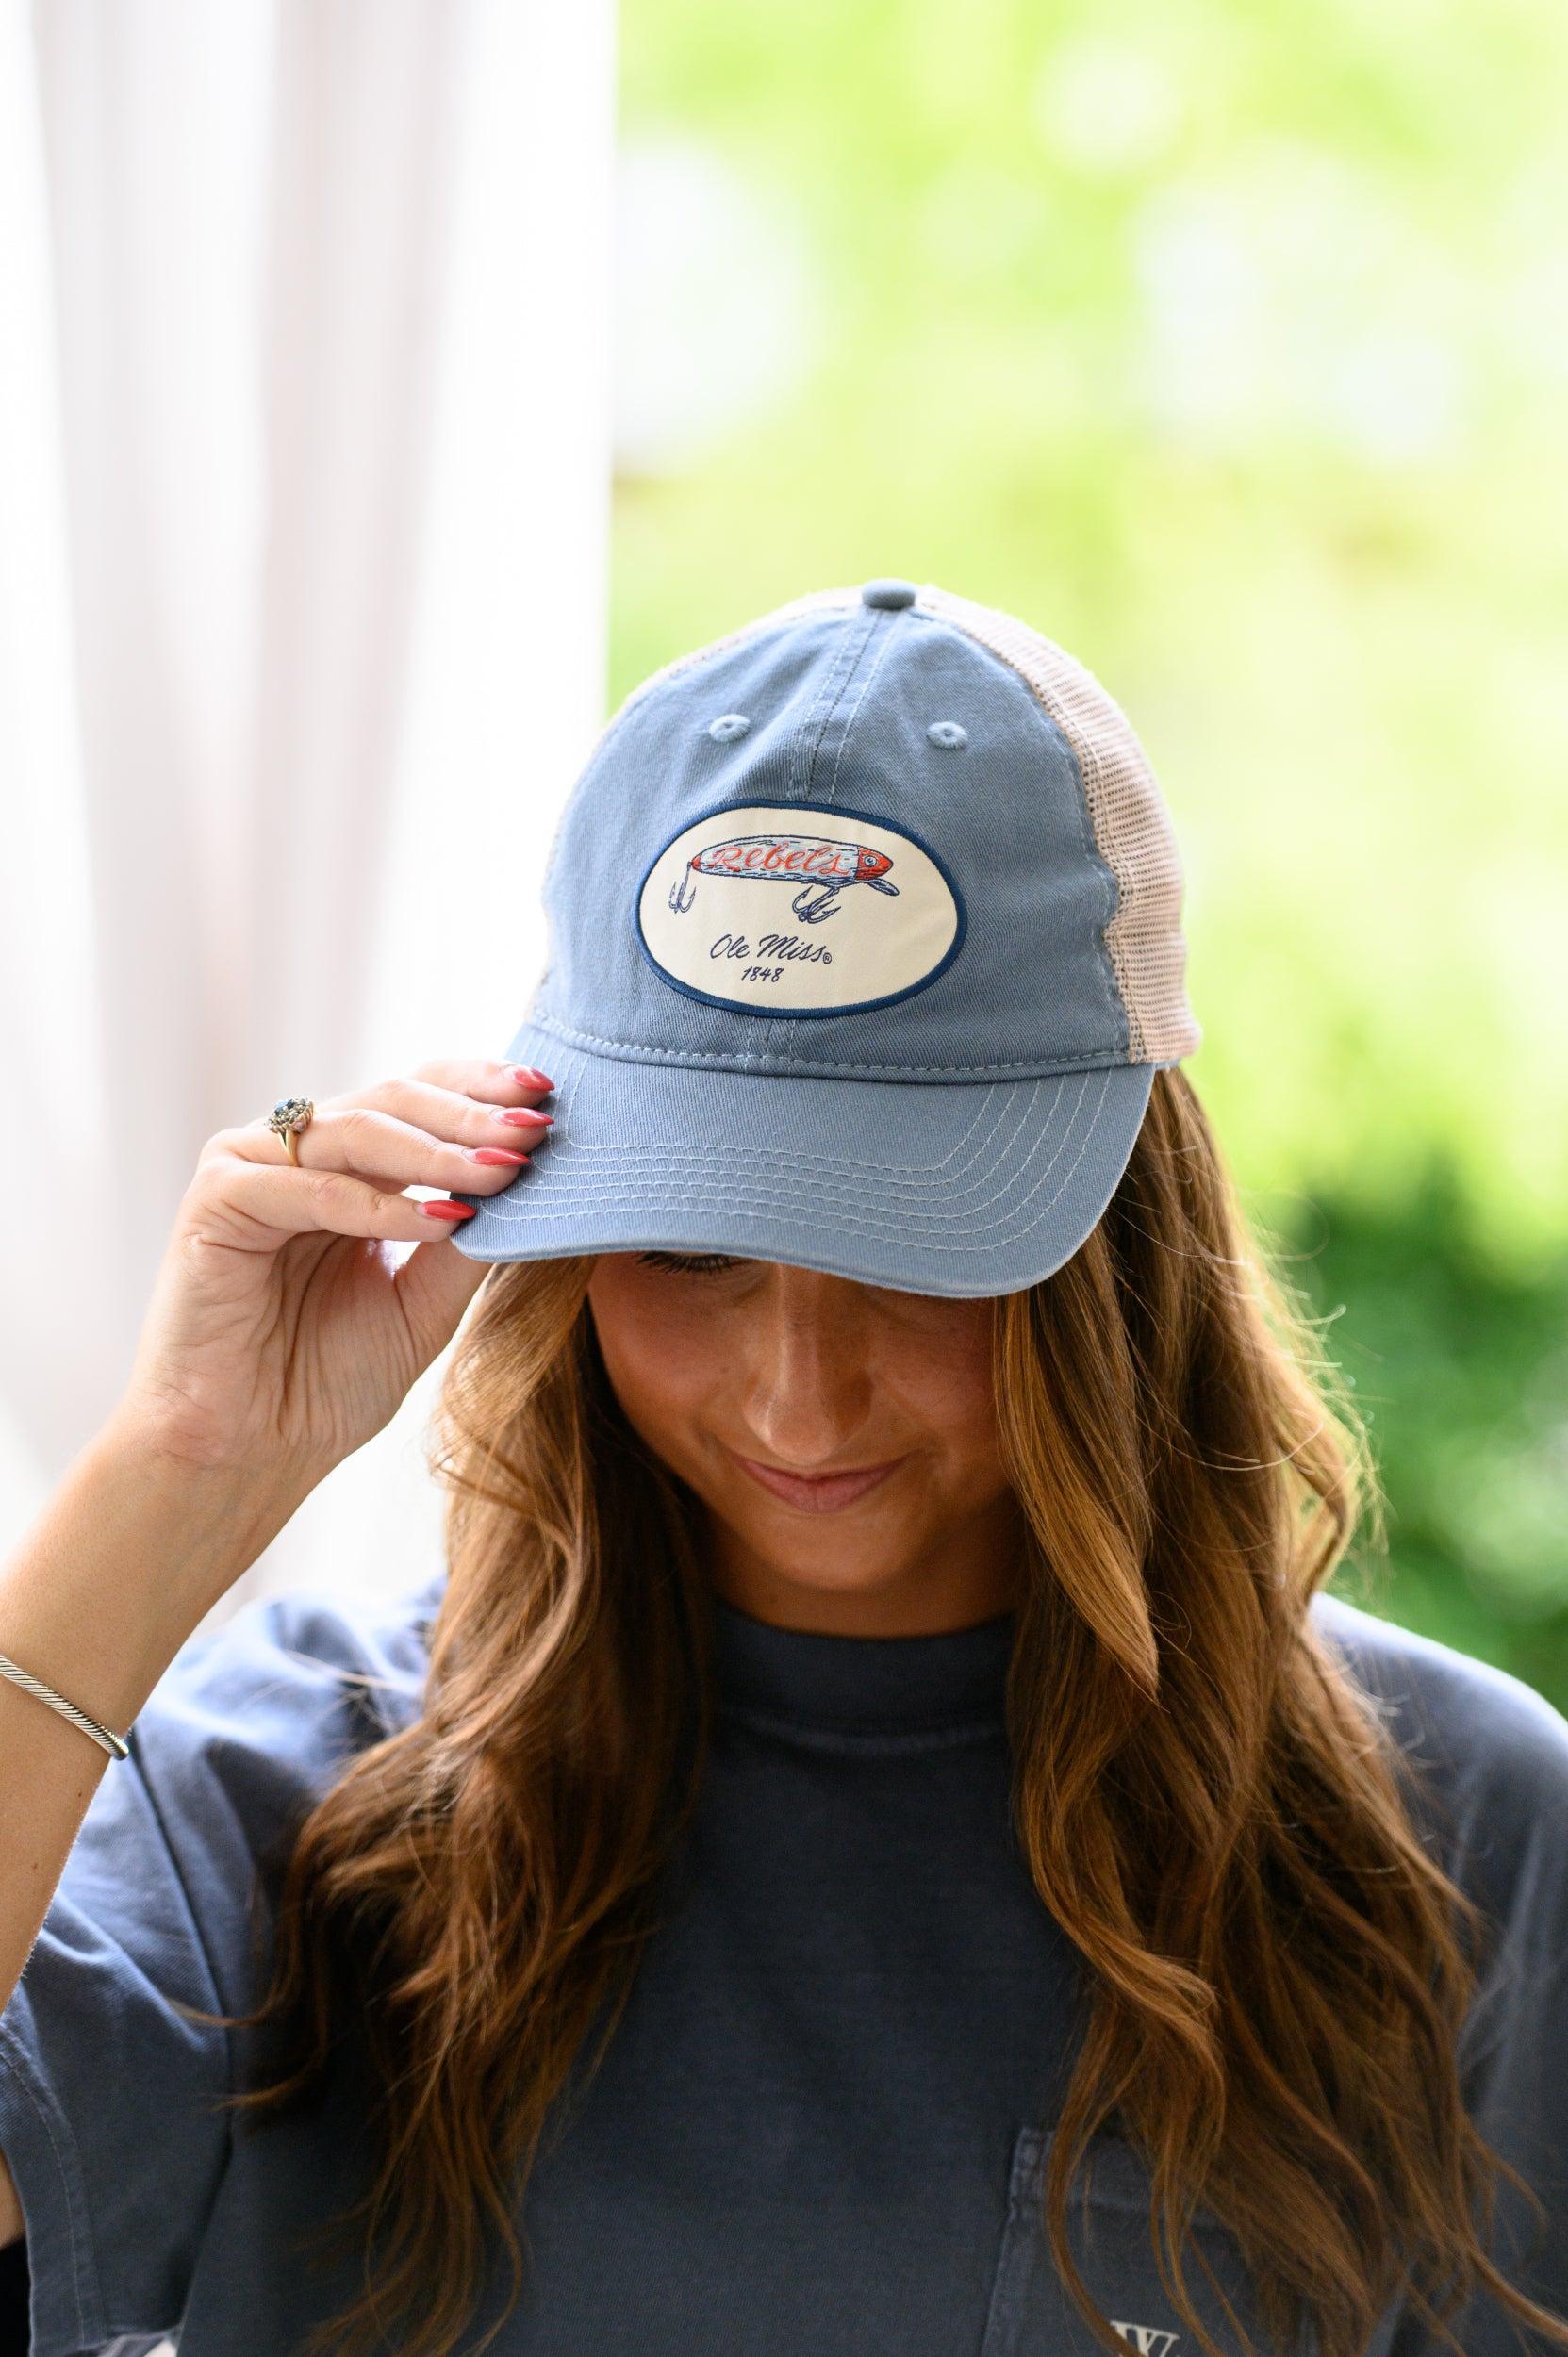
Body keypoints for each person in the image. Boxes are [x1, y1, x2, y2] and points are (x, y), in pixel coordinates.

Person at [1, 579, 1565, 2357]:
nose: (800, 1405)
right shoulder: (287, 1803)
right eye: (690, 1252)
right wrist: (182, 1467)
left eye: (917, 1256)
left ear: (1117, 1243)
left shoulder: (1451, 1839)